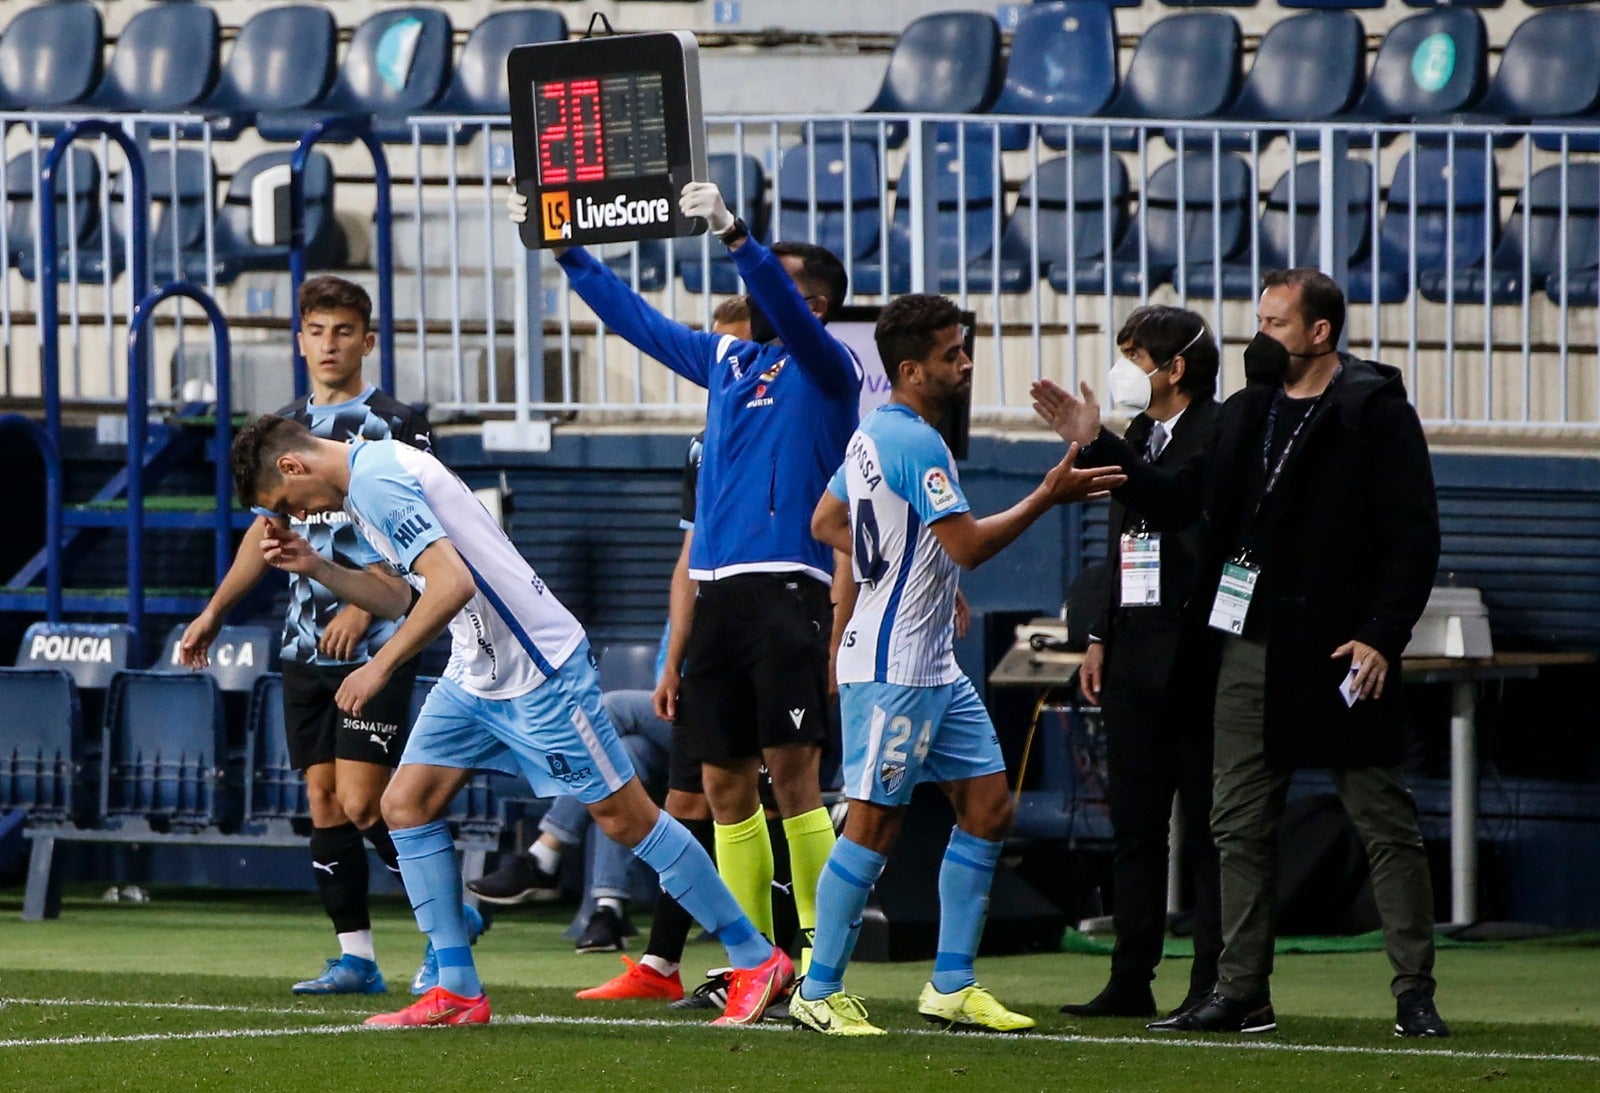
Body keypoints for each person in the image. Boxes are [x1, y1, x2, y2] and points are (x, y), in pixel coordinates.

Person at [233, 415, 794, 1028]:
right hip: (475, 672)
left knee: (626, 818)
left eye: (290, 503)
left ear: (293, 466)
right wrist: (317, 567)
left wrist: (380, 667)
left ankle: (756, 958)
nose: (303, 514)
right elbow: (408, 598)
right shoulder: (368, 476)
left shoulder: (376, 481)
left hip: (539, 671)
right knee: (405, 806)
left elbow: (452, 584)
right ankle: (457, 988)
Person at [1032, 268, 1450, 1038]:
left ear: (1321, 332)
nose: (1262, 337)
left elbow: (1413, 535)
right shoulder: (1248, 412)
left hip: (1339, 647)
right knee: (1236, 820)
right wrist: (1098, 440)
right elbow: (1178, 495)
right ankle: (1242, 990)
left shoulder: (1372, 409)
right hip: (1250, 641)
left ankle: (1413, 991)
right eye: (1259, 321)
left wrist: (1383, 632)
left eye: (1278, 324)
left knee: (1382, 819)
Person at [509, 180, 857, 975]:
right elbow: (638, 322)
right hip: (717, 599)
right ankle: (750, 965)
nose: (751, 289)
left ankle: (821, 958)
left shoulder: (828, 369)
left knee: (795, 782)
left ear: (816, 305)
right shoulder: (729, 359)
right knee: (723, 788)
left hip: (785, 591)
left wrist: (738, 235)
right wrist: (567, 251)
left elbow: (779, 298)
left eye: (773, 280)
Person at [795, 293, 1127, 1035]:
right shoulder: (915, 443)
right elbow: (969, 544)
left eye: (963, 348)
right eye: (952, 354)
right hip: (893, 667)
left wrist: (922, 575)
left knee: (988, 806)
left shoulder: (875, 431)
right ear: (911, 369)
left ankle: (950, 984)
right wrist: (1046, 493)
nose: (966, 363)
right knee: (874, 827)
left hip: (931, 662)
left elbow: (827, 520)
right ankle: (817, 990)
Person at [176, 275, 468, 996]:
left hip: (378, 637)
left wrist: (366, 611)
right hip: (304, 641)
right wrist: (215, 611)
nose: (329, 344)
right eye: (317, 330)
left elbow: (427, 536)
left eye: (343, 331)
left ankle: (448, 926)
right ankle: (357, 956)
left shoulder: (396, 424)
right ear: (300, 339)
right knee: (323, 798)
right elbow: (265, 533)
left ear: (368, 341)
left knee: (368, 799)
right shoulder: (286, 427)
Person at [1060, 306, 1224, 1021]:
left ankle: (1217, 978)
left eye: (1133, 354)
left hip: (1194, 656)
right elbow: (1121, 535)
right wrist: (1099, 633)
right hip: (1130, 652)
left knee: (1210, 833)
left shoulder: (1218, 432)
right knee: (1133, 826)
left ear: (1175, 366)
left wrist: (1096, 442)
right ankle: (1131, 975)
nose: (1122, 367)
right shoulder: (1134, 435)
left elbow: (1165, 502)